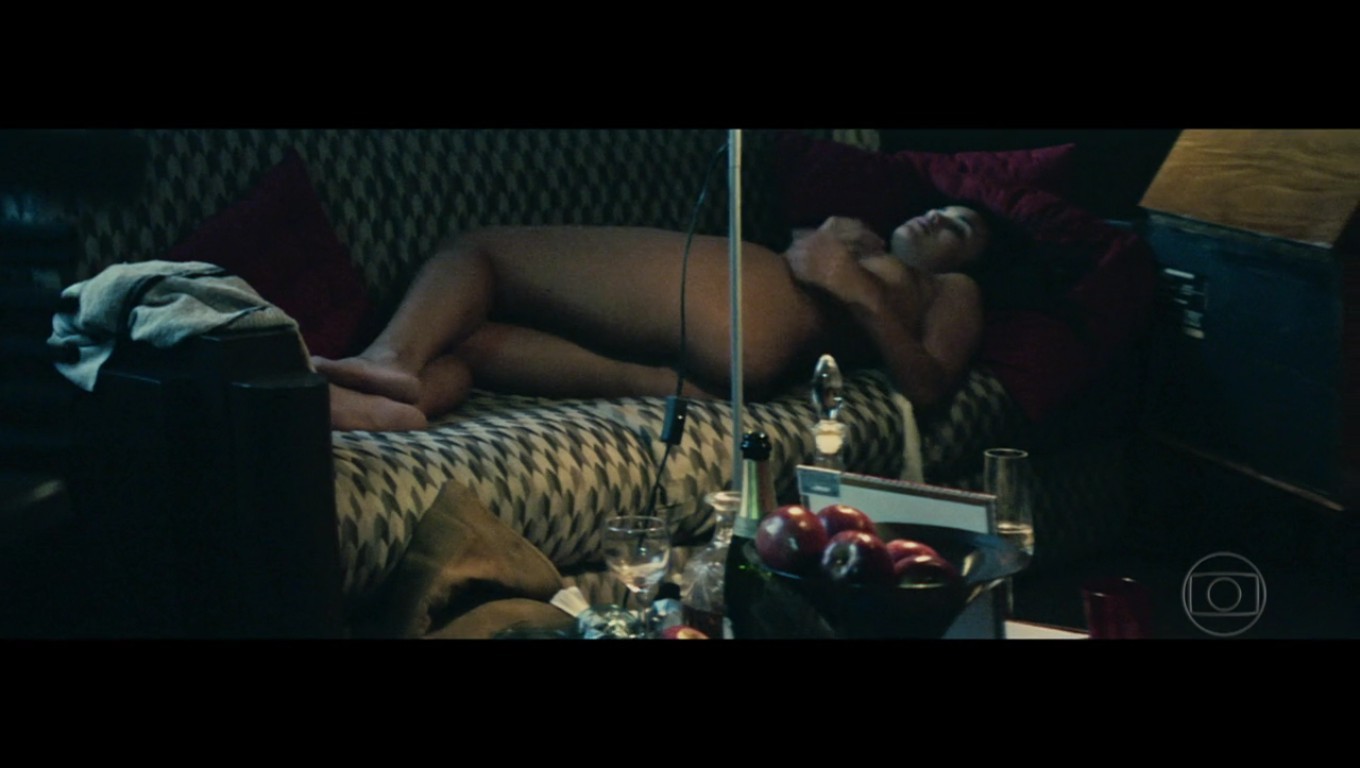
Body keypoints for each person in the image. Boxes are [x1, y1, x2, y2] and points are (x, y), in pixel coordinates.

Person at [315, 205, 994, 431]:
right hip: (730, 361)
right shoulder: (870, 249)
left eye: (960, 227)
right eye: (938, 209)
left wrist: (851, 284)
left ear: (974, 260)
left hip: (746, 307)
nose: (939, 218)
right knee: (472, 341)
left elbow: (928, 385)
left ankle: (389, 360)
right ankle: (405, 406)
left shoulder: (953, 289)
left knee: (478, 251)